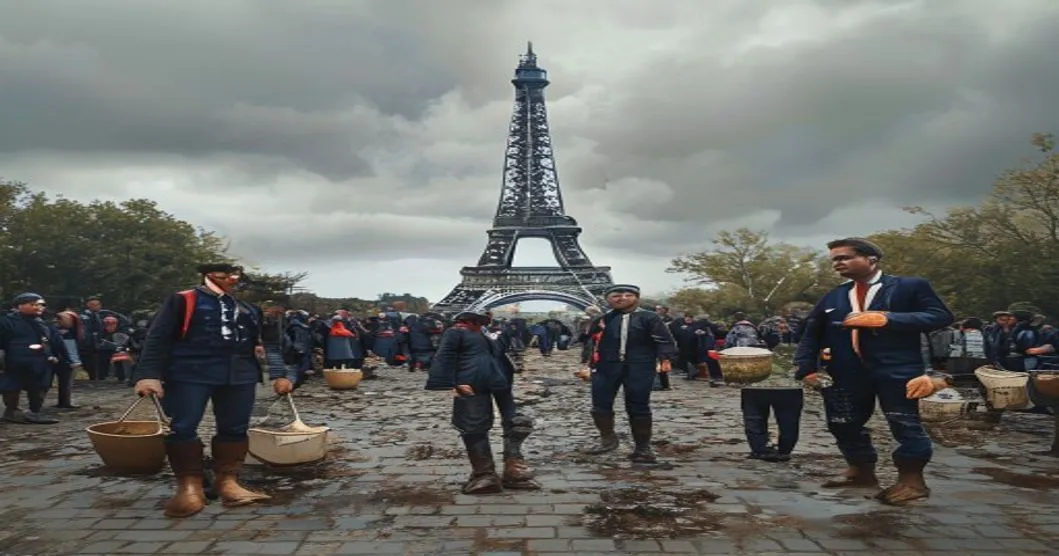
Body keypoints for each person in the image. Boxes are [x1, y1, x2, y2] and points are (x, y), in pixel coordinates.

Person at [794, 238, 953, 505]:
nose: (838, 263)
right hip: (845, 372)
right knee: (842, 423)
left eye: (845, 257)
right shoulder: (834, 296)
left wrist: (888, 319)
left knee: (904, 424)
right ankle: (861, 471)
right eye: (834, 259)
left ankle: (912, 481)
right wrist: (806, 368)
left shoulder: (908, 286)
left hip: (899, 370)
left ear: (871, 259)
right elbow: (812, 333)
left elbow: (940, 316)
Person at [134, 263, 293, 517]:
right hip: (189, 373)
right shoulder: (183, 300)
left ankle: (227, 481)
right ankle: (189, 486)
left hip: (240, 375)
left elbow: (270, 343)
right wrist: (149, 375)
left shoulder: (248, 309)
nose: (233, 279)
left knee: (235, 428)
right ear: (209, 275)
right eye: (226, 274)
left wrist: (279, 374)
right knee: (182, 427)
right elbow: (158, 337)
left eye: (236, 275)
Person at [425, 310, 539, 493]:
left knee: (507, 423)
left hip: (485, 380)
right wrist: (453, 382)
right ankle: (497, 472)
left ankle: (494, 472)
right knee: (477, 424)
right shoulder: (459, 333)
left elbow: (445, 356)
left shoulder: (479, 334)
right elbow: (445, 356)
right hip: (481, 380)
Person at [583, 285, 677, 463]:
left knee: (638, 405)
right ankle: (608, 438)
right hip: (606, 365)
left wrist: (665, 359)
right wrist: (588, 364)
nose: (622, 298)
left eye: (628, 295)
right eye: (616, 295)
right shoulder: (603, 319)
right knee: (600, 404)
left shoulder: (650, 317)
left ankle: (642, 447)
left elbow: (664, 340)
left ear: (637, 298)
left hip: (639, 365)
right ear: (608, 299)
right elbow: (591, 343)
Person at [1, 293, 72, 424]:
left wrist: (63, 357)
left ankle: (35, 412)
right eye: (33, 304)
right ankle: (12, 411)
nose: (38, 307)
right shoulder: (7, 322)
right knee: (11, 387)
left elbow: (55, 341)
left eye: (41, 305)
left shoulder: (44, 322)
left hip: (42, 361)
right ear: (19, 306)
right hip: (16, 362)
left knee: (41, 386)